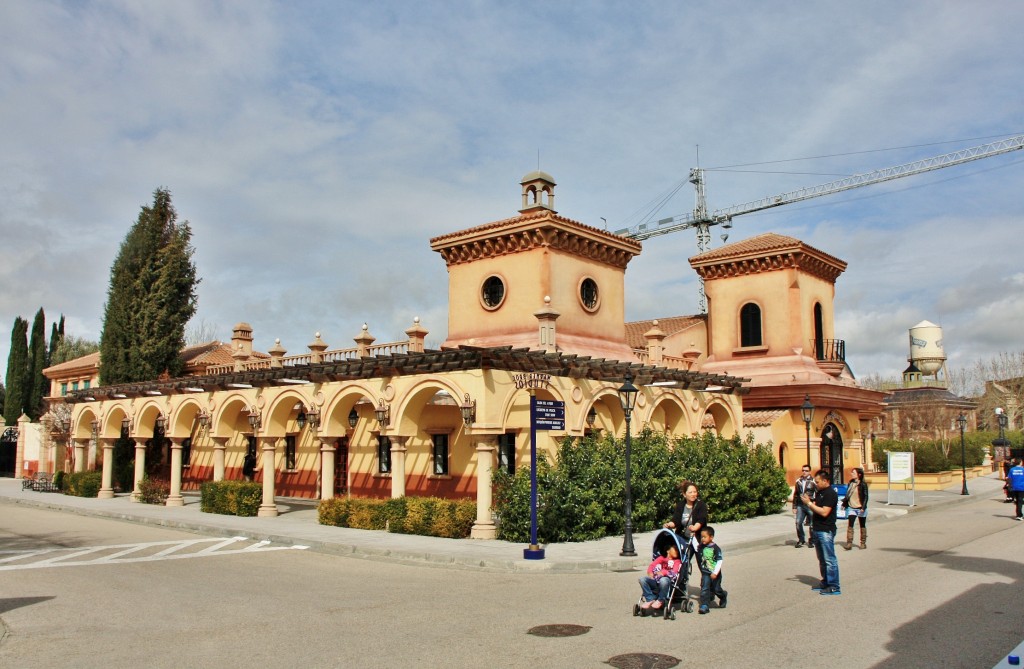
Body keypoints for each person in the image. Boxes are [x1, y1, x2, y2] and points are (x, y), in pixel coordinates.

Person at [801, 468, 840, 596]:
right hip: (817, 529)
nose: (816, 484)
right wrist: (808, 501)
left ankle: (834, 586)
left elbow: (824, 512)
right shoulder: (820, 492)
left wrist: (809, 504)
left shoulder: (830, 494)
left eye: (818, 482)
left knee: (829, 559)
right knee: (822, 559)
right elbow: (816, 507)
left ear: (825, 481)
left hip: (826, 530)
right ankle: (825, 582)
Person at [664, 480, 708, 558]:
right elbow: (676, 520)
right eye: (690, 492)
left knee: (705, 564)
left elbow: (702, 519)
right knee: (682, 563)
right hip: (684, 539)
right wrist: (669, 525)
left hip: (698, 539)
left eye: (695, 492)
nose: (693, 494)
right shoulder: (680, 505)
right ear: (684, 494)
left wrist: (695, 528)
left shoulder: (701, 505)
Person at [638, 545, 682, 612]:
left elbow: (674, 572)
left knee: (663, 580)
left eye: (677, 550)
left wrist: (663, 572)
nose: (677, 552)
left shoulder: (677, 561)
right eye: (675, 549)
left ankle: (660, 600)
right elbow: (652, 565)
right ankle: (650, 599)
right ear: (668, 551)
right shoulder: (661, 558)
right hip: (656, 580)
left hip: (667, 581)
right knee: (642, 579)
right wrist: (650, 572)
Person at [695, 526, 727, 614]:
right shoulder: (701, 546)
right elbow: (695, 547)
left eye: (704, 537)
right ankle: (705, 605)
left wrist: (715, 572)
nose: (702, 539)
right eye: (701, 537)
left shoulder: (716, 548)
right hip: (705, 572)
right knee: (704, 588)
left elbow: (719, 561)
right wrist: (693, 537)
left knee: (716, 589)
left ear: (711, 537)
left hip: (714, 573)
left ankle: (723, 596)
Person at [842, 467, 869, 550]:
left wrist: (863, 507)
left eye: (854, 473)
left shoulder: (863, 484)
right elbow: (848, 495)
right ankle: (849, 543)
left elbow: (866, 496)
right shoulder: (851, 483)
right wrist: (844, 504)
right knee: (850, 525)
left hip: (860, 508)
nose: (852, 474)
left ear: (859, 474)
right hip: (851, 507)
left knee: (862, 525)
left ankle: (863, 543)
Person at [792, 465, 817, 549]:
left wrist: (814, 502)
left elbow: (817, 493)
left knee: (812, 524)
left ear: (810, 471)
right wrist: (794, 506)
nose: (804, 472)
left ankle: (812, 541)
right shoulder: (798, 481)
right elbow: (796, 494)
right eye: (803, 470)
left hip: (810, 505)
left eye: (806, 470)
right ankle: (801, 539)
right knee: (798, 522)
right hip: (800, 505)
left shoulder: (813, 481)